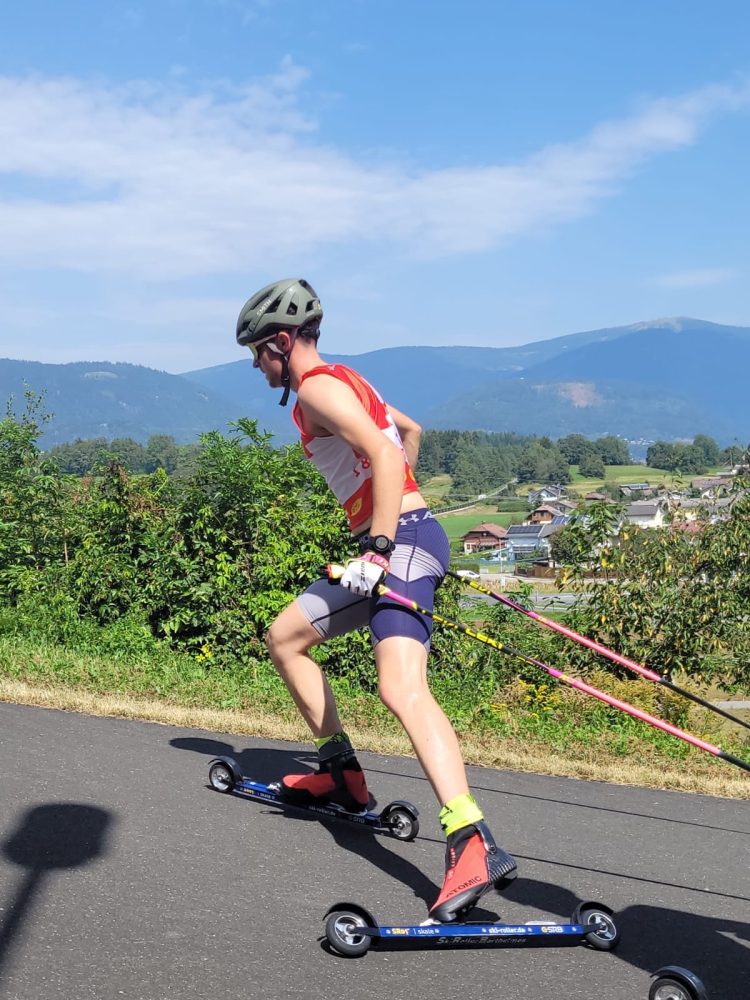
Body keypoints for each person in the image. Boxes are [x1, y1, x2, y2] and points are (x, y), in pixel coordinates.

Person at [235, 278, 516, 922]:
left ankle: (470, 839)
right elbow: (409, 431)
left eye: (258, 352)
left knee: (401, 688)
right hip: (398, 541)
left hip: (396, 547)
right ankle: (340, 774)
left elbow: (388, 455)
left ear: (281, 343)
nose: (257, 365)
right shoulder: (345, 381)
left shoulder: (313, 388)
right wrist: (391, 528)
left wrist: (384, 544)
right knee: (287, 637)